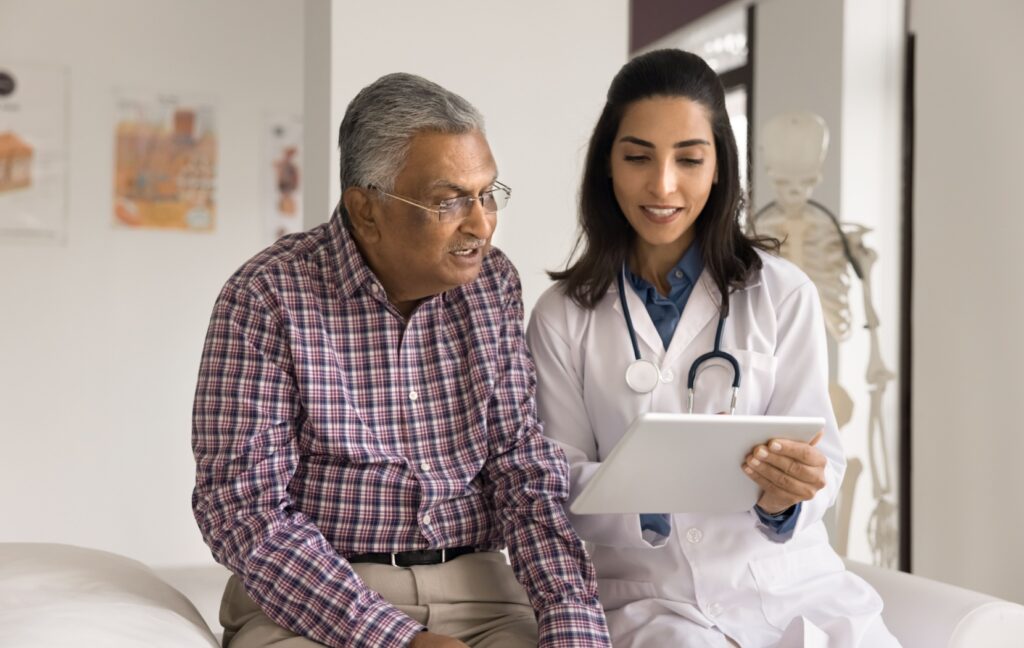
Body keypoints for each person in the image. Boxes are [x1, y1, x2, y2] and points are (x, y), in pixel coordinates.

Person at [192, 73, 611, 648]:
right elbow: (242, 509)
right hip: (319, 601)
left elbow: (523, 471)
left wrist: (572, 621)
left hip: (481, 592)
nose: (481, 224)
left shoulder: (493, 284)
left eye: (488, 194)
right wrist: (394, 640)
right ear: (366, 209)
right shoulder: (267, 297)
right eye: (450, 201)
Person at [525, 49, 900, 647]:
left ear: (720, 166)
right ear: (607, 166)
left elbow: (822, 456)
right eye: (638, 157)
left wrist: (787, 493)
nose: (663, 185)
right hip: (648, 599)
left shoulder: (780, 293)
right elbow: (554, 481)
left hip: (791, 589)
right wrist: (654, 492)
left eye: (690, 159)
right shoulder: (562, 316)